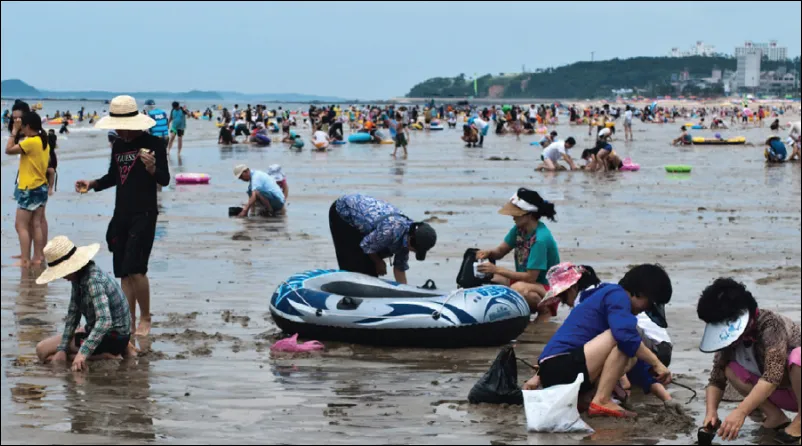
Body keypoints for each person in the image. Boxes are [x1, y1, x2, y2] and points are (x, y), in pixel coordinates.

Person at [524, 264, 674, 419]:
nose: (646, 310)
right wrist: (657, 362)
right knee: (622, 338)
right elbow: (625, 338)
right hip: (558, 368)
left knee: (631, 348)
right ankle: (601, 400)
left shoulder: (609, 299)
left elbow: (638, 364)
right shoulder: (617, 295)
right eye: (650, 304)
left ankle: (588, 399)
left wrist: (666, 399)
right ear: (640, 292)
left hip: (559, 371)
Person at [75, 95, 169, 338]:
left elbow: (165, 179)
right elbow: (114, 177)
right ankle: (129, 319)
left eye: (120, 124)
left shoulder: (155, 144)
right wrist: (92, 183)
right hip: (122, 213)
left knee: (137, 269)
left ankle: (146, 317)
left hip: (145, 212)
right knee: (124, 271)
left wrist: (151, 168)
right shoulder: (118, 145)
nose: (117, 129)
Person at [697, 278, 800, 444]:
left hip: (794, 384)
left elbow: (772, 376)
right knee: (729, 369)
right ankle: (775, 416)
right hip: (782, 393)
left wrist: (741, 412)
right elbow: (716, 378)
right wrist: (711, 412)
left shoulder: (770, 325)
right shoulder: (729, 341)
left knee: (798, 356)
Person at [34, 236, 133, 371]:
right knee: (51, 353)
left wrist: (83, 353)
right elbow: (73, 314)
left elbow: (104, 321)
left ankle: (107, 355)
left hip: (113, 336)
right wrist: (62, 348)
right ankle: (108, 352)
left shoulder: (93, 281)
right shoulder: (78, 278)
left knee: (42, 350)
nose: (62, 277)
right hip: (108, 332)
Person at [476, 189, 560, 316]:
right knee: (489, 279)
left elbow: (531, 277)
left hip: (546, 288)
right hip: (528, 282)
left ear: (529, 214)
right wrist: (489, 253)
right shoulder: (519, 230)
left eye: (516, 213)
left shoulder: (540, 240)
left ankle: (545, 312)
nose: (512, 216)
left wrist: (497, 269)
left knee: (518, 289)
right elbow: (500, 251)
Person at [328, 194, 437, 285]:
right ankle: (346, 291)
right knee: (356, 268)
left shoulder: (408, 239)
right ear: (411, 238)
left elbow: (399, 269)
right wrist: (378, 262)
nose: (412, 251)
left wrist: (405, 293)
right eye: (414, 249)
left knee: (370, 272)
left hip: (368, 227)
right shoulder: (391, 230)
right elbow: (366, 245)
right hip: (343, 212)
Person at [6, 111, 50, 268]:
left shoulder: (31, 142)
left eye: (23, 127)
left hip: (29, 188)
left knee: (21, 225)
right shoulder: (43, 142)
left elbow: (8, 150)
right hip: (41, 186)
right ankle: (38, 257)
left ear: (28, 126)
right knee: (36, 224)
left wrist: (14, 132)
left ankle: (25, 259)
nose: (21, 129)